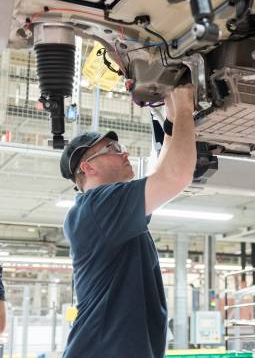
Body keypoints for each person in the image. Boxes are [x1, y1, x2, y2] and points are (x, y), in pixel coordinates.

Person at [58, 85, 197, 358]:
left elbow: (162, 174)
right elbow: (175, 177)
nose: (124, 153)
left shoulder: (105, 210)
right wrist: (183, 108)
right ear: (87, 167)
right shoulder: (98, 206)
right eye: (113, 148)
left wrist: (171, 118)